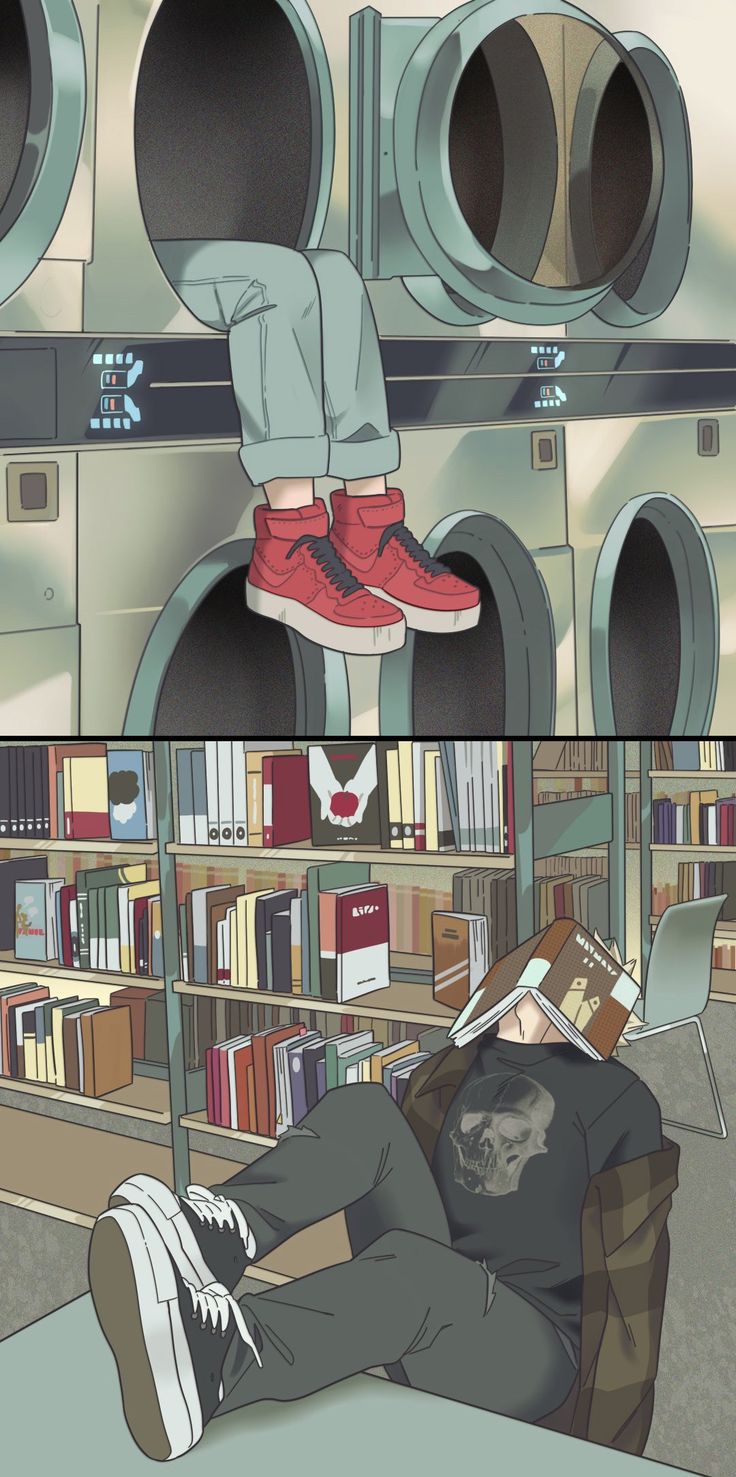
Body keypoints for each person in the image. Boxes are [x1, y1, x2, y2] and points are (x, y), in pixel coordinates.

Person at [88, 977, 663, 1463]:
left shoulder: (620, 1097)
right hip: (422, 1301)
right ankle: (215, 1238)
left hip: (532, 1349)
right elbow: (393, 1163)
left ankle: (224, 1362)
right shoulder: (456, 1061)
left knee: (429, 1274)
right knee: (364, 1107)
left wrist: (607, 1438)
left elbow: (634, 1267)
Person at [153, 240, 481, 655]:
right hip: (123, 240)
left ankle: (369, 535)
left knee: (337, 273)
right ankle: (286, 547)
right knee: (277, 276)